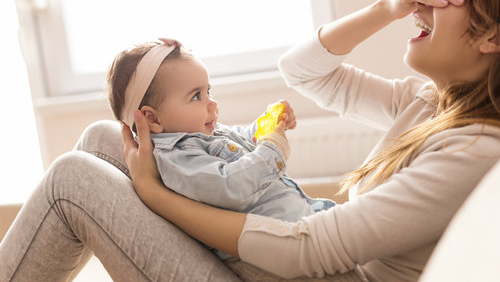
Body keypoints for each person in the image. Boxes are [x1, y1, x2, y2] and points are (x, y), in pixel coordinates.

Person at [0, 0, 500, 282]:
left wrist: (154, 196)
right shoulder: (429, 104)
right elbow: (306, 70)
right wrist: (391, 5)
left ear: (495, 35)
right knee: (108, 139)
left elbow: (311, 250)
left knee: (73, 179)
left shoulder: (477, 148)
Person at [106, 39, 335, 261]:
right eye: (196, 96)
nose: (212, 103)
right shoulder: (177, 158)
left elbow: (242, 139)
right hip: (276, 245)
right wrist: (272, 149)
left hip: (301, 214)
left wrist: (268, 124)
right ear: (152, 118)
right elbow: (231, 186)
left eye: (209, 91)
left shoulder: (203, 133)